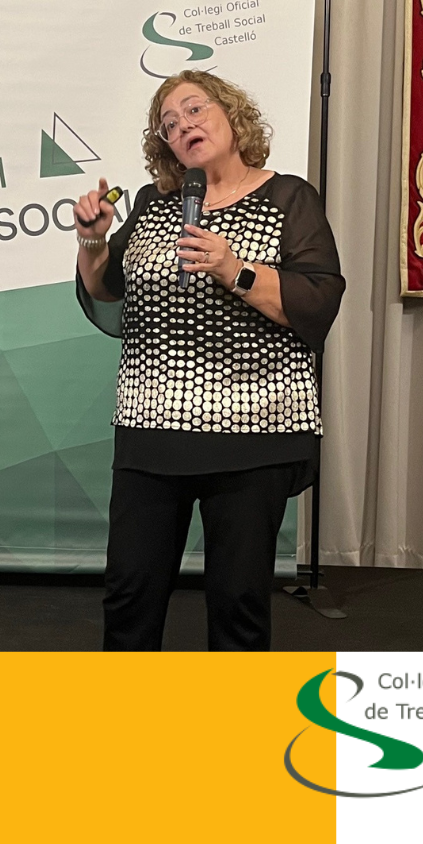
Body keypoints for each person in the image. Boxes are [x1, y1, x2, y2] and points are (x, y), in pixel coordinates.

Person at [74, 69, 344, 651]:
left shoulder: (288, 197)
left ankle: (231, 712)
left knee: (237, 600)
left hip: (253, 432)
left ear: (231, 115)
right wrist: (92, 240)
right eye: (169, 124)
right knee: (129, 593)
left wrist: (233, 268)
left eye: (194, 110)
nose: (183, 126)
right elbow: (106, 289)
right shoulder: (153, 203)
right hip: (151, 428)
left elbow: (318, 298)